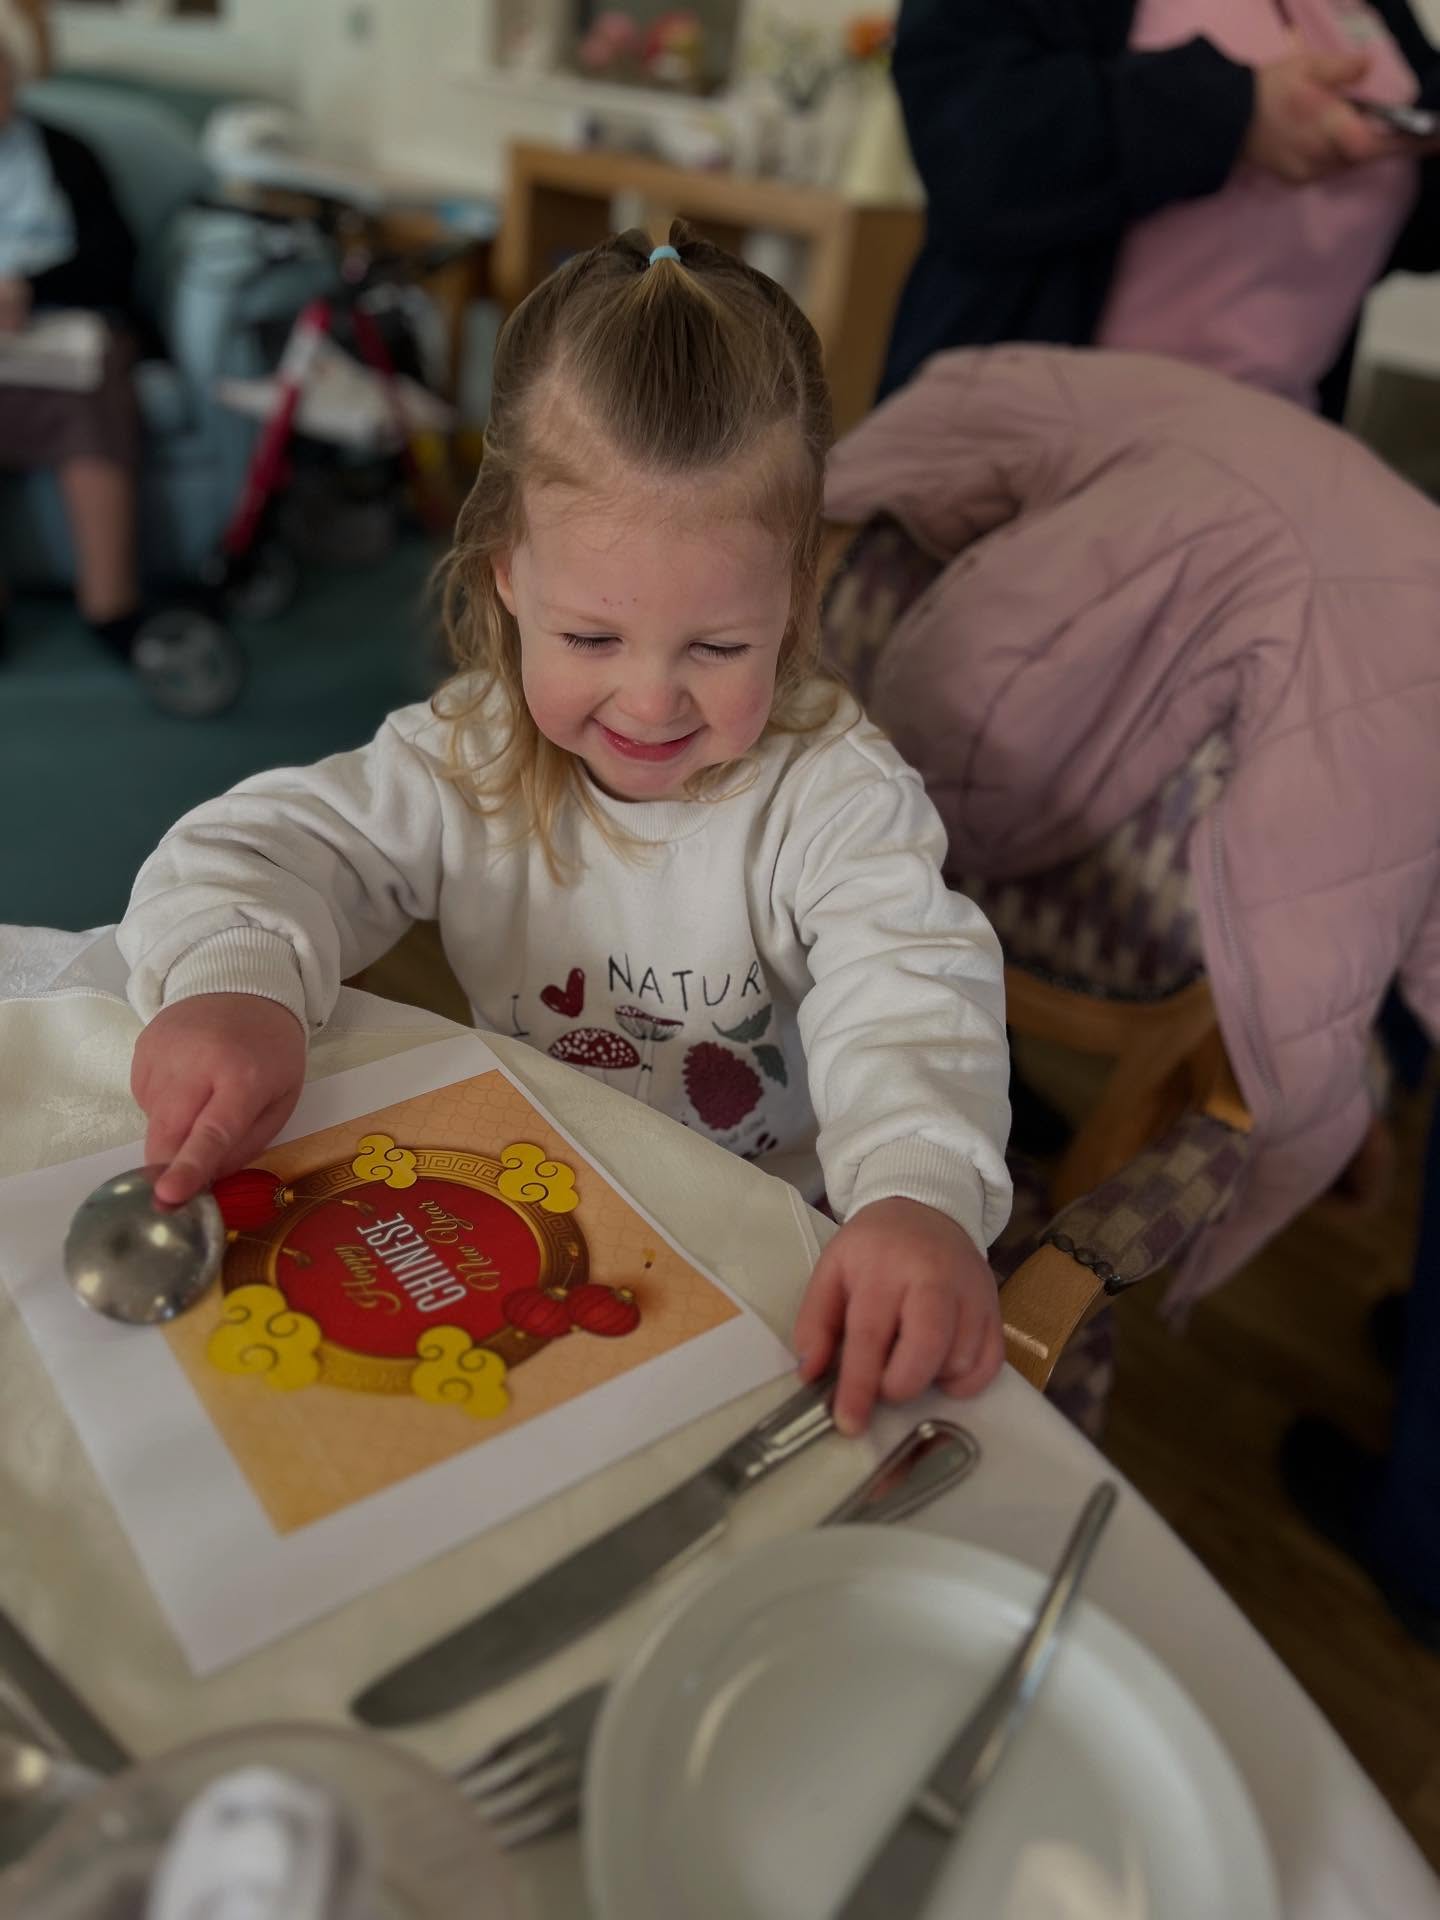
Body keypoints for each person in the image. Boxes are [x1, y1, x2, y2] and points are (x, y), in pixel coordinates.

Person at [115, 224, 1014, 1438]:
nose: (649, 701)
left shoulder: (834, 796)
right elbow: (261, 848)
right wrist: (237, 980)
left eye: (717, 646)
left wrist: (916, 1193)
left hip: (769, 1250)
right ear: (507, 576)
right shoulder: (469, 754)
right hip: (529, 1216)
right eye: (592, 638)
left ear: (796, 598)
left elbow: (912, 994)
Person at [881, 0, 1440, 418]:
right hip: (1038, 442)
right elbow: (976, 150)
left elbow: (1403, 218)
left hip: (1265, 449)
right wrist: (1235, 112)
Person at [0, 0, 158, 666]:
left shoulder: (66, 153)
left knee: (93, 387)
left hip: (65, 326)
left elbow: (114, 259)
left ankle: (110, 605)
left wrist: (29, 289)